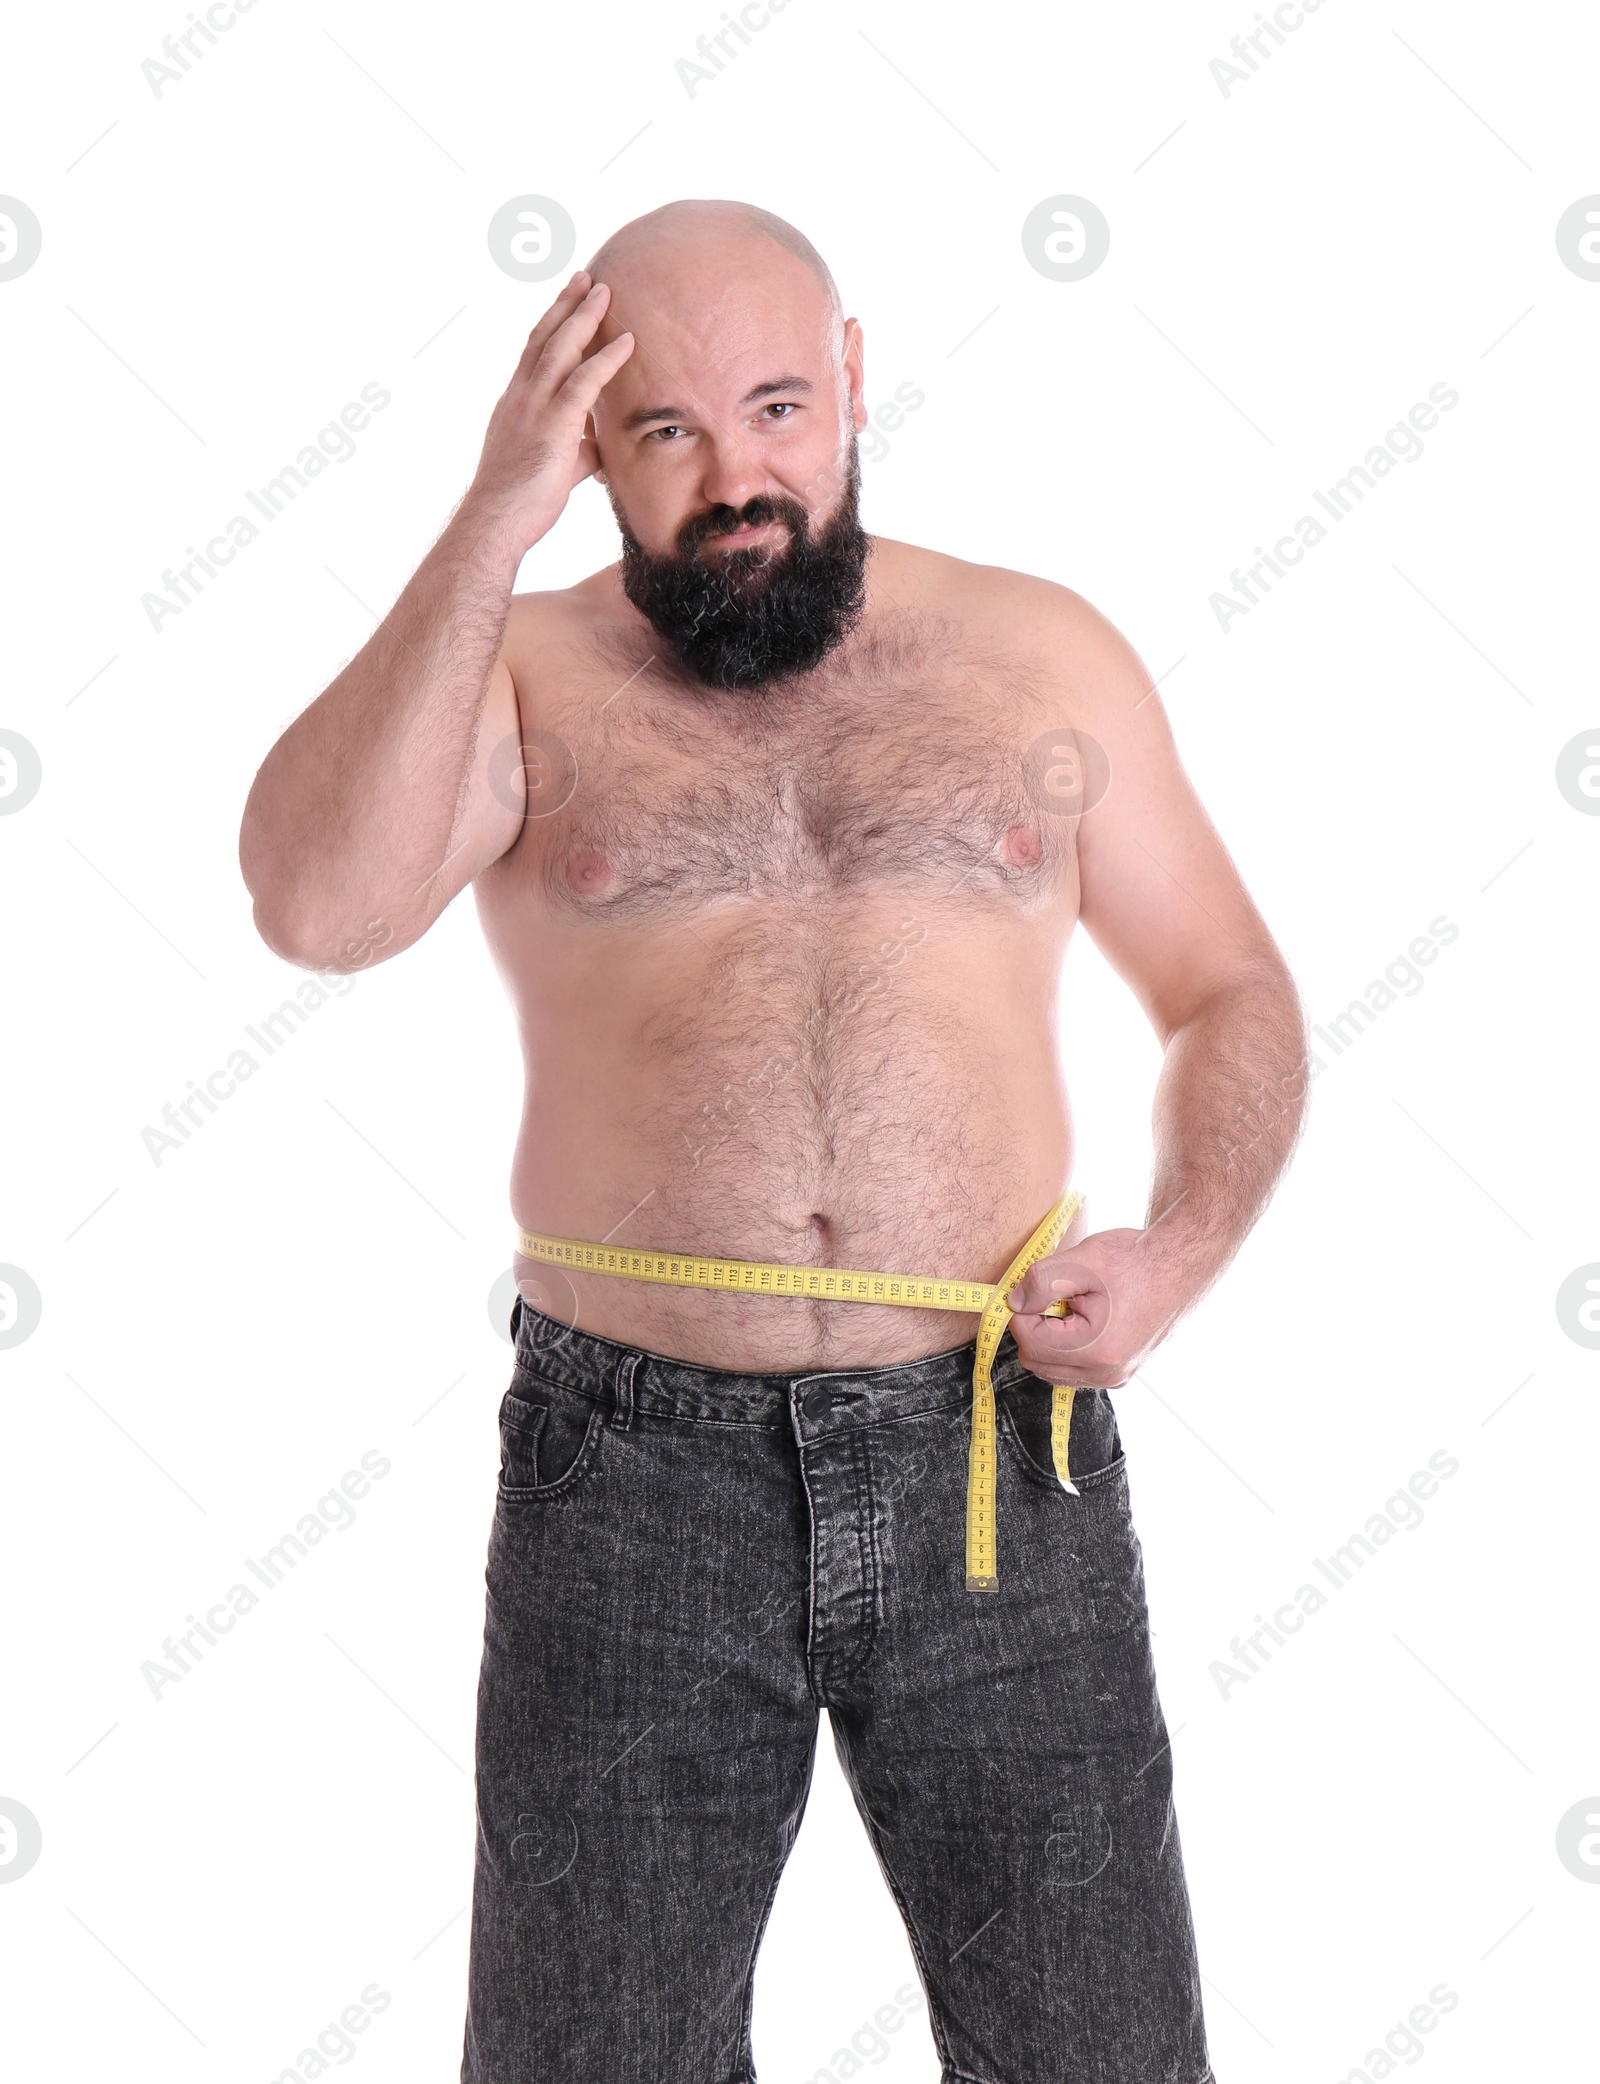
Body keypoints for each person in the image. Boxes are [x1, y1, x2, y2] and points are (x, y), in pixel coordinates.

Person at [239, 197, 1306, 2084]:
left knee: (1101, 2061)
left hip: (999, 1451)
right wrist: (494, 516)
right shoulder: (529, 676)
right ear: (588, 447)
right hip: (626, 1471)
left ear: (858, 379)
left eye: (780, 408)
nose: (743, 481)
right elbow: (317, 905)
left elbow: (1230, 987)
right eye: (664, 434)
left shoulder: (1041, 654)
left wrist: (1184, 1250)